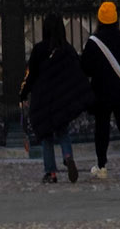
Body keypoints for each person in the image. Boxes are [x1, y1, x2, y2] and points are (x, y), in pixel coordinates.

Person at [20, 13, 86, 185]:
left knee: (46, 136)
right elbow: (77, 72)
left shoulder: (39, 49)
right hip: (62, 99)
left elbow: (31, 75)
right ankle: (67, 155)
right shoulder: (67, 49)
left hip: (43, 100)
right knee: (63, 131)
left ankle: (51, 173)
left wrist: (23, 93)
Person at [81, 1, 120, 181]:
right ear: (116, 20)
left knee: (102, 129)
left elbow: (86, 68)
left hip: (102, 92)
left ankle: (102, 166)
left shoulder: (94, 42)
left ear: (99, 19)